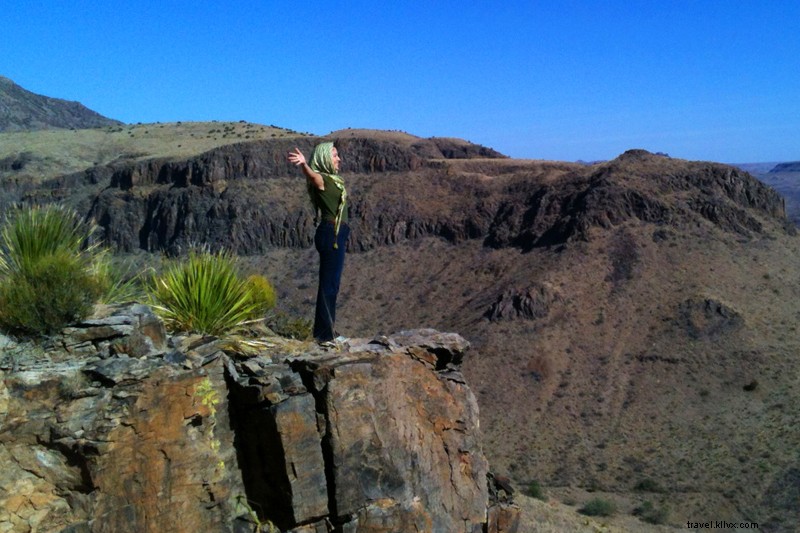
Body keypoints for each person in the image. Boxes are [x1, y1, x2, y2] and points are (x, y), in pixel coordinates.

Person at [287, 142, 349, 345]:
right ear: (324, 158)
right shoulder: (322, 179)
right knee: (329, 285)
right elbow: (312, 177)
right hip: (330, 234)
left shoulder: (334, 180)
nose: (338, 159)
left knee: (332, 284)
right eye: (334, 155)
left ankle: (326, 330)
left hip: (337, 234)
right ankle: (324, 335)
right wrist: (305, 165)